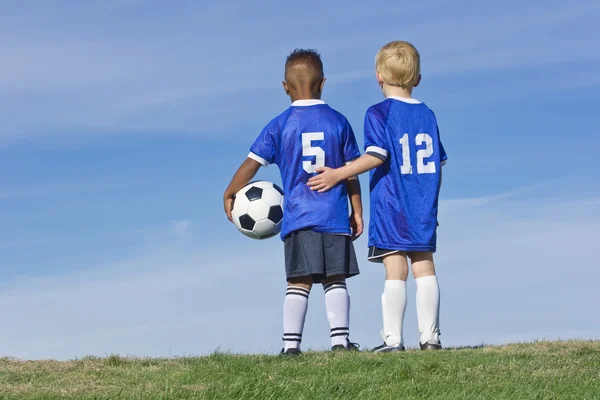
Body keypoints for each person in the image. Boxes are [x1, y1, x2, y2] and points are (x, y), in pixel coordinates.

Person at [308, 41, 447, 352]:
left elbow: (376, 155)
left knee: (395, 267)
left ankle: (393, 341)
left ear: (378, 78)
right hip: (423, 204)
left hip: (392, 204)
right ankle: (431, 339)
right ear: (418, 79)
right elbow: (438, 162)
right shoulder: (428, 114)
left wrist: (337, 174)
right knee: (424, 265)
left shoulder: (378, 113)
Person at [223, 49, 363, 355]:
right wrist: (357, 211)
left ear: (285, 86)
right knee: (335, 278)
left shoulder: (280, 124)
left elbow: (252, 163)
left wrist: (230, 192)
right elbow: (352, 172)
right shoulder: (339, 122)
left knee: (298, 281)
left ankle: (291, 347)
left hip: (299, 217)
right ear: (323, 83)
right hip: (334, 215)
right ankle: (339, 342)